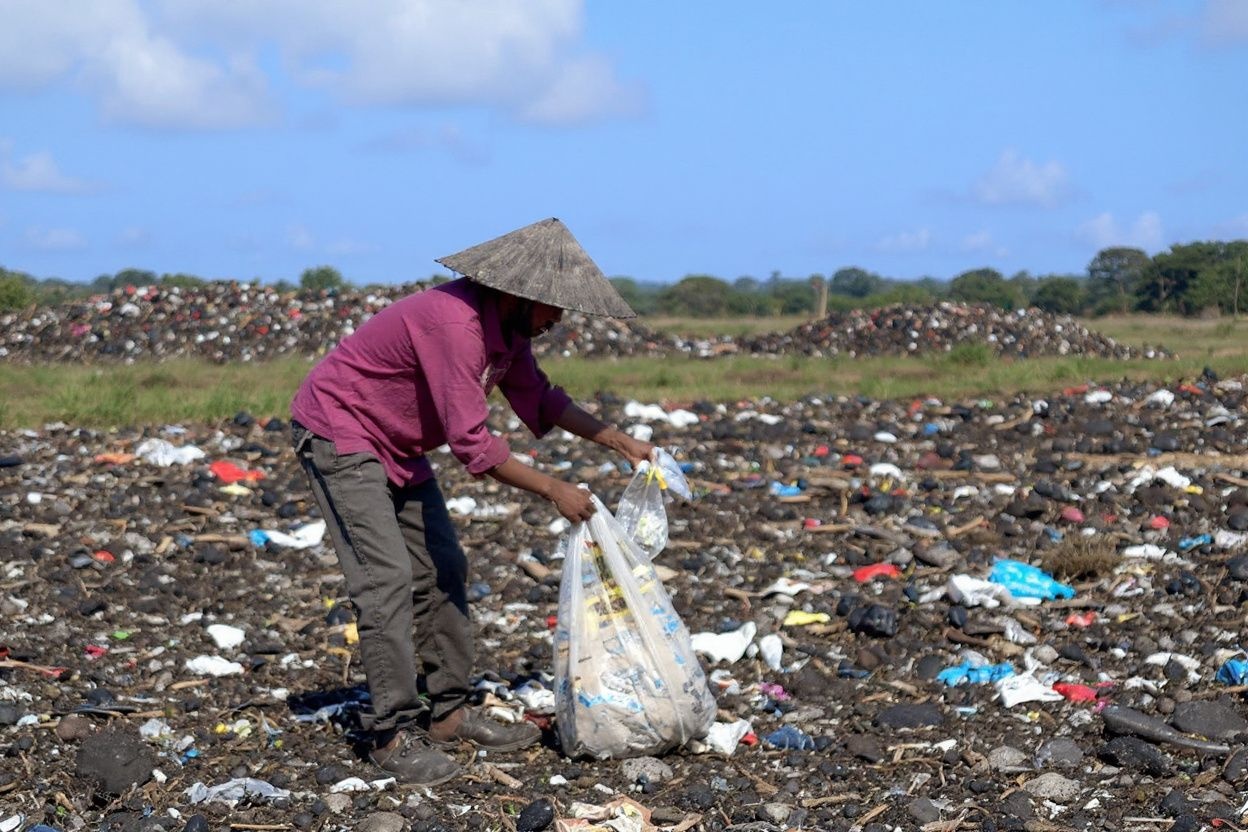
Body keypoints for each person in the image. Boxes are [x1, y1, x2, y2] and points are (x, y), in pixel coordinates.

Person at [289, 218, 653, 786]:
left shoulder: (508, 333)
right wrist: (554, 489)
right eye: (550, 308)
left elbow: (541, 397)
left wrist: (617, 440)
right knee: (384, 580)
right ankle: (390, 735)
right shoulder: (453, 325)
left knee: (444, 568)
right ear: (517, 294)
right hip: (343, 433)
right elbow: (473, 444)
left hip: (398, 442)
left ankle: (449, 712)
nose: (556, 320)